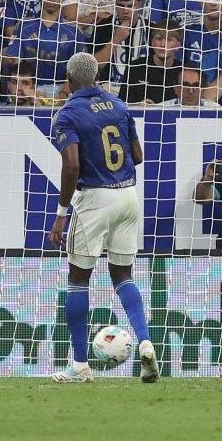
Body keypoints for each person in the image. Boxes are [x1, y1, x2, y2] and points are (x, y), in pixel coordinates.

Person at [41, 52, 159, 383]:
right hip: (129, 196)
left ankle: (80, 365)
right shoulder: (119, 106)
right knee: (123, 274)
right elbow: (137, 155)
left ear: (68, 80)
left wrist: (62, 213)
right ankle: (145, 341)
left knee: (78, 280)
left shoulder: (68, 114)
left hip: (95, 199)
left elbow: (72, 165)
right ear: (96, 76)